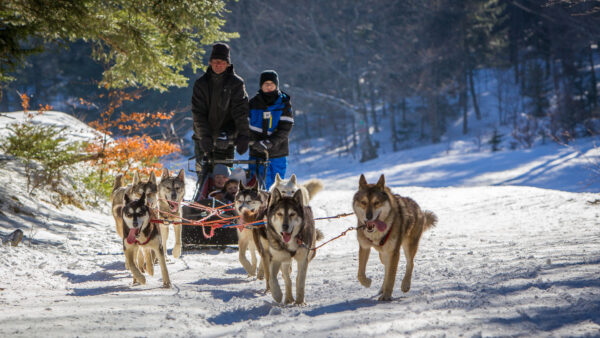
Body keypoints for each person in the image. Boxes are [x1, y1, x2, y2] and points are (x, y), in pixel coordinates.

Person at [191, 42, 250, 173]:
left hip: (226, 139)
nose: (218, 65)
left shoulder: (237, 83)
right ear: (210, 62)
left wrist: (243, 135)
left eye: (222, 62)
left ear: (228, 64)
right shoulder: (201, 84)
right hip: (203, 138)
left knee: (224, 179)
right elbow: (198, 113)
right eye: (215, 61)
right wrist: (204, 136)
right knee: (204, 177)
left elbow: (241, 112)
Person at [248, 70, 293, 190]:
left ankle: (273, 206)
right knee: (257, 186)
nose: (268, 86)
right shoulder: (253, 103)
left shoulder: (284, 103)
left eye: (271, 83)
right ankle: (260, 208)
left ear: (276, 85)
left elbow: (285, 128)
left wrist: (270, 142)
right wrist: (252, 141)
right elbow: (245, 125)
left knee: (275, 186)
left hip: (277, 152)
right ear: (261, 85)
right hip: (257, 152)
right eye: (265, 83)